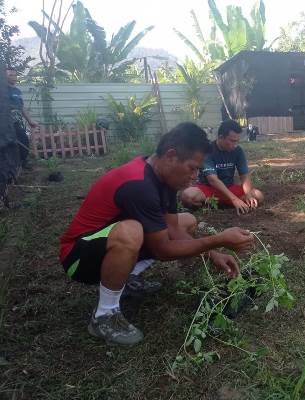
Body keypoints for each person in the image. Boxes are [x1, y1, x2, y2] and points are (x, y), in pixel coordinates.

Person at [59, 123, 255, 345]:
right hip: (77, 257)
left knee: (187, 220)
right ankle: (104, 315)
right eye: (192, 168)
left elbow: (172, 230)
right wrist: (218, 239)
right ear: (171, 156)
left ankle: (128, 276)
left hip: (103, 245)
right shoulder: (139, 184)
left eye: (198, 170)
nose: (194, 176)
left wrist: (214, 253)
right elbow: (163, 250)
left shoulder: (164, 179)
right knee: (131, 231)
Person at [181, 120, 264, 215]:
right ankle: (227, 202)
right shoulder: (208, 151)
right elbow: (213, 180)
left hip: (229, 188)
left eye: (237, 141)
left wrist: (248, 195)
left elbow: (244, 176)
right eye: (232, 141)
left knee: (258, 195)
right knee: (188, 196)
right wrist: (234, 199)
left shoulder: (238, 151)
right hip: (208, 189)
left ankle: (219, 203)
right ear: (220, 137)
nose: (235, 144)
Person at [7, 68, 37, 167]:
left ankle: (21, 162)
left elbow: (22, 107)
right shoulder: (2, 90)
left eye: (15, 75)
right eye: (10, 75)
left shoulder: (17, 91)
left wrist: (30, 121)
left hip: (17, 122)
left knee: (23, 141)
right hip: (6, 123)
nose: (14, 77)